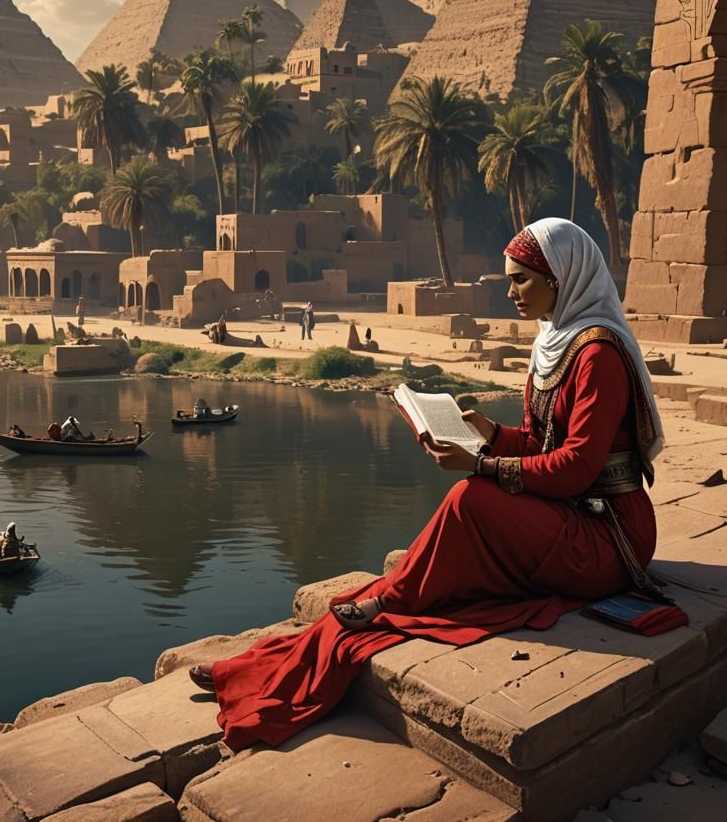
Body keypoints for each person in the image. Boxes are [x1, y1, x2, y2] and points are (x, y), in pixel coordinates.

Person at [188, 218, 675, 753]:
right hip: (573, 517)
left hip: (610, 539)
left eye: (521, 281)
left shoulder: (597, 355)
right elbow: (541, 442)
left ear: (562, 279)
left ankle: (390, 600)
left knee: (472, 498)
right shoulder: (555, 343)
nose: (509, 292)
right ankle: (296, 647)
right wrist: (494, 433)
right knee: (466, 519)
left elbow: (577, 468)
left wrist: (483, 464)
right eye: (507, 279)